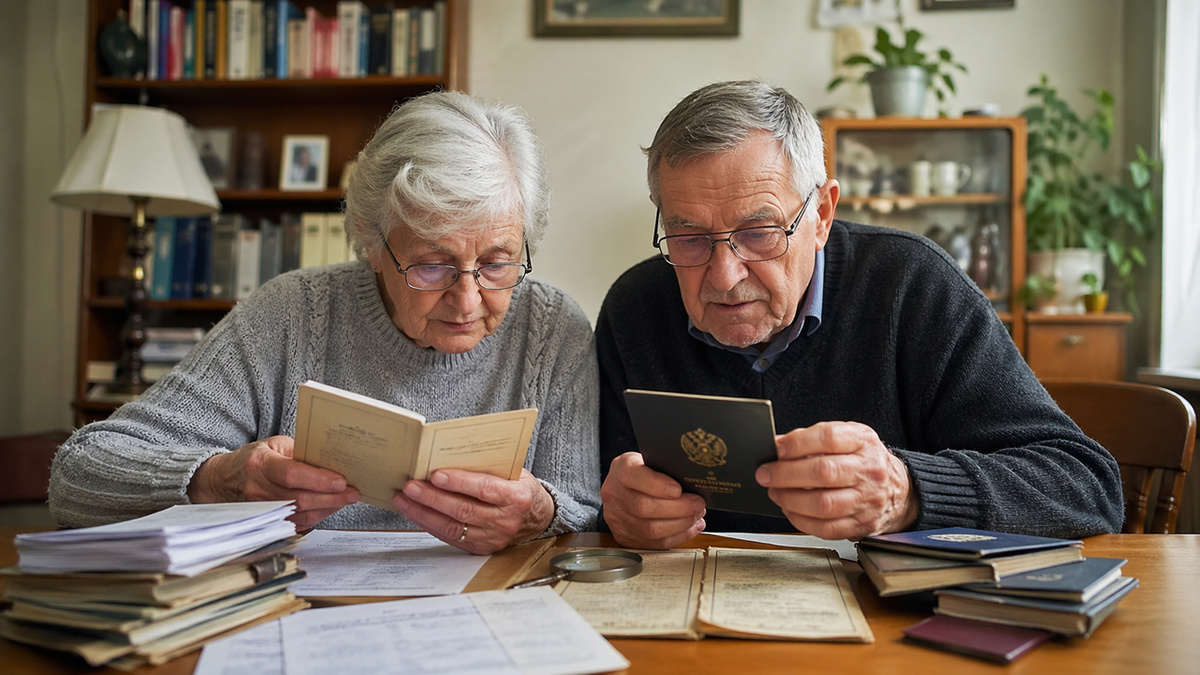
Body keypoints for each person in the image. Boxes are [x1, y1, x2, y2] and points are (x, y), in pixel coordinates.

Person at [51, 91, 601, 555]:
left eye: (497, 262)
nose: (466, 299)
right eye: (432, 265)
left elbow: (590, 513)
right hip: (303, 611)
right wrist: (220, 479)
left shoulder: (551, 329)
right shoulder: (291, 314)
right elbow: (78, 475)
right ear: (371, 241)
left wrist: (539, 512)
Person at [596, 80, 1123, 550]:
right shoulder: (635, 308)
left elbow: (1086, 486)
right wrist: (619, 511)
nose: (725, 275)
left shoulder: (914, 285)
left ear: (822, 215)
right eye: (689, 239)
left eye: (759, 233)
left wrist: (908, 491)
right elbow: (599, 500)